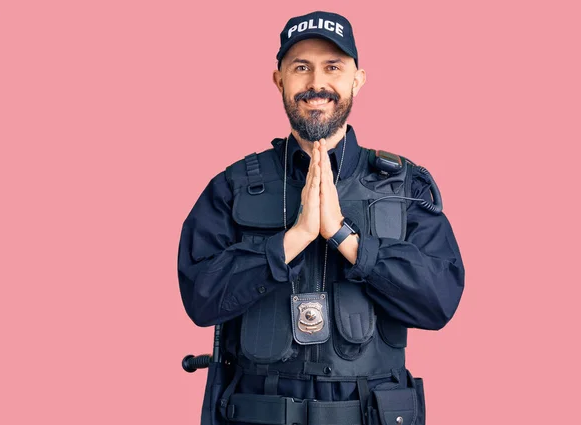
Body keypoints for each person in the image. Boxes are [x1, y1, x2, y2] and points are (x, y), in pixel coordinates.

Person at [178, 10, 465, 425]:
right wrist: (291, 241)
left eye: (333, 67)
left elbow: (439, 301)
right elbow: (200, 298)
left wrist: (347, 240)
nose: (317, 84)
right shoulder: (233, 186)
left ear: (357, 79)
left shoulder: (405, 188)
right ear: (279, 80)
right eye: (301, 68)